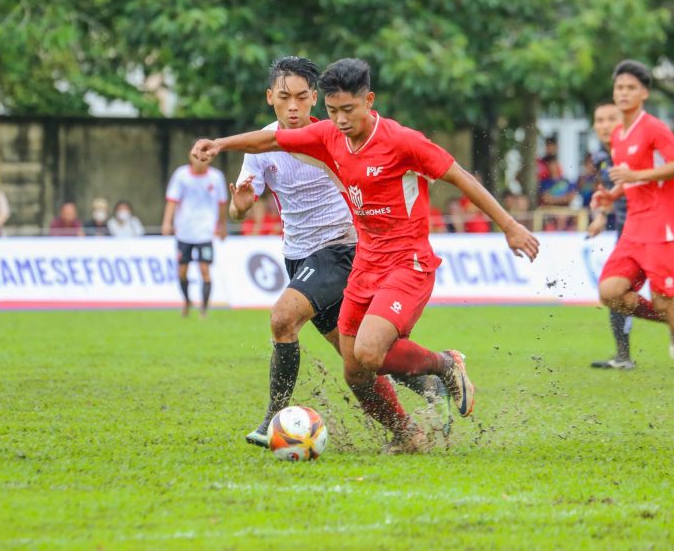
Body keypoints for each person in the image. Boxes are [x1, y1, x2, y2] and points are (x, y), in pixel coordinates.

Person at [193, 58, 540, 452]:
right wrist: (220, 144)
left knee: (363, 348)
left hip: (404, 261)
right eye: (332, 110)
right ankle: (408, 433)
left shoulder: (403, 141)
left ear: (369, 101)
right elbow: (270, 140)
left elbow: (459, 175)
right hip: (362, 265)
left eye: (348, 110)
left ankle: (446, 364)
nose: (339, 120)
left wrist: (510, 225)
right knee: (355, 367)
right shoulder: (328, 136)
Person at [228, 56, 448, 449]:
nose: (293, 107)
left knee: (283, 319)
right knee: (359, 361)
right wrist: (241, 205)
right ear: (270, 98)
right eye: (284, 98)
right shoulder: (262, 144)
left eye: (301, 97)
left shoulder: (333, 135)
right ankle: (413, 416)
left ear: (315, 98)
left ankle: (270, 421)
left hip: (341, 251)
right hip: (298, 256)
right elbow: (239, 206)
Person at [594, 60, 674, 387]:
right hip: (634, 227)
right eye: (619, 87)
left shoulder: (653, 127)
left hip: (661, 228)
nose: (623, 93)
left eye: (631, 88)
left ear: (644, 93)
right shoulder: (619, 134)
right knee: (610, 291)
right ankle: (672, 322)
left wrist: (636, 175)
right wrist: (611, 195)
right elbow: (631, 180)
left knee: (665, 300)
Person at [162, 154, 228, 317]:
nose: (201, 159)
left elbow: (222, 203)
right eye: (197, 155)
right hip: (184, 231)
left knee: (204, 269)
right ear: (191, 157)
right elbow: (172, 200)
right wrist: (167, 222)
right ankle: (187, 300)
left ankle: (204, 309)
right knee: (182, 271)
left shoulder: (216, 177)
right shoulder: (181, 175)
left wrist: (223, 225)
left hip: (205, 232)